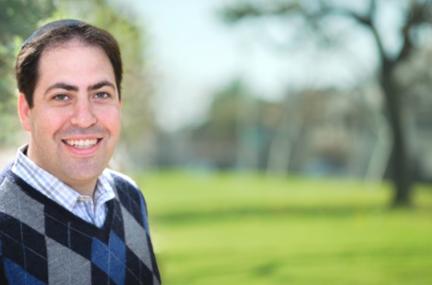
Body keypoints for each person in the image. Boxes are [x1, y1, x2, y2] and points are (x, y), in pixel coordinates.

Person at [0, 19, 161, 285]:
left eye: (101, 94)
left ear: (119, 102)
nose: (84, 119)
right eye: (62, 97)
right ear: (26, 110)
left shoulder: (129, 197)